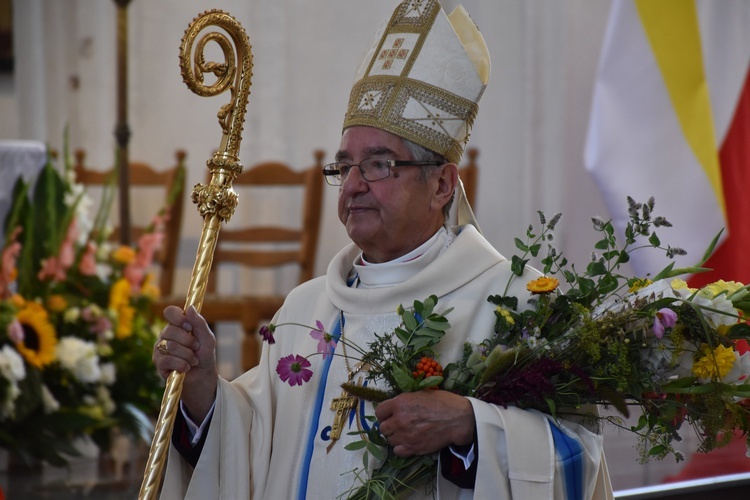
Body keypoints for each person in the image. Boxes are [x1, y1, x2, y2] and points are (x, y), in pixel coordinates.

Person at [153, 1, 614, 498]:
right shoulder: (305, 310)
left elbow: (576, 457)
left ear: (441, 184)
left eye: (378, 165)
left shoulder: (515, 304)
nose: (352, 186)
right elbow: (252, 447)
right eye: (343, 166)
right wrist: (201, 389)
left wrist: (470, 427)